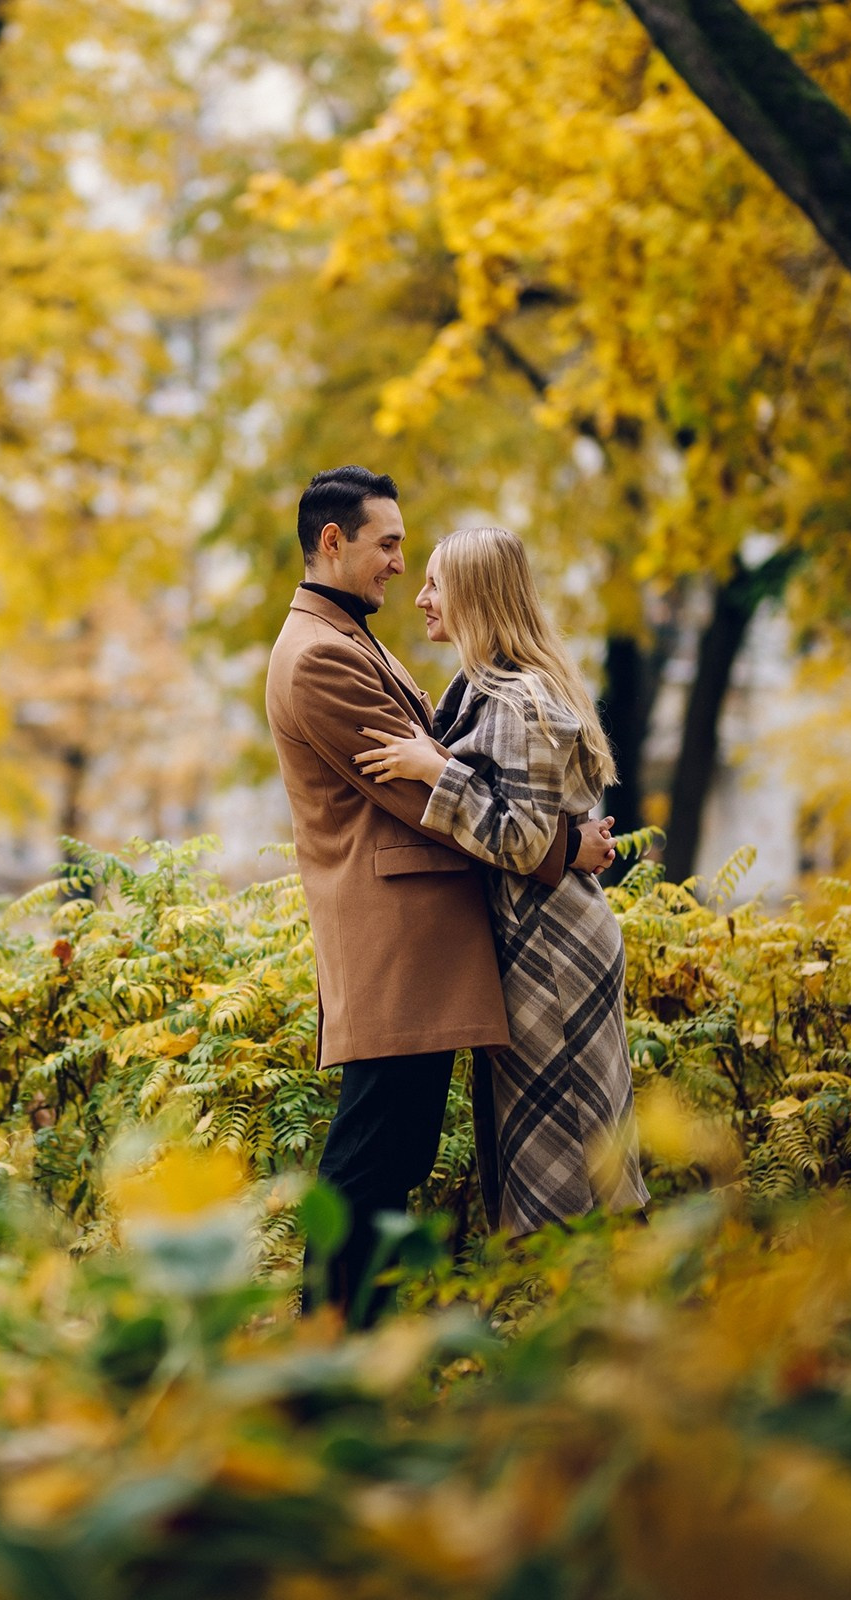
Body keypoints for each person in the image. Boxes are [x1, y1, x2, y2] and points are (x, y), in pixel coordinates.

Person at [265, 469, 614, 1325]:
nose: (399, 565)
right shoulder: (319, 656)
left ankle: (362, 1350)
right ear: (333, 542)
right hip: (396, 945)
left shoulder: (350, 637)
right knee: (371, 1156)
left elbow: (453, 766)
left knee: (394, 1154)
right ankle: (334, 1356)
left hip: (420, 943)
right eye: (388, 545)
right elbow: (420, 793)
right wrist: (568, 847)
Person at [355, 526, 648, 1235]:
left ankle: (600, 1318)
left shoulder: (518, 701)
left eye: (435, 584)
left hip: (552, 948)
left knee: (573, 1151)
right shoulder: (481, 690)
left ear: (476, 596)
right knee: (560, 1143)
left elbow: (519, 839)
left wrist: (436, 772)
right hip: (538, 938)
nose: (420, 598)